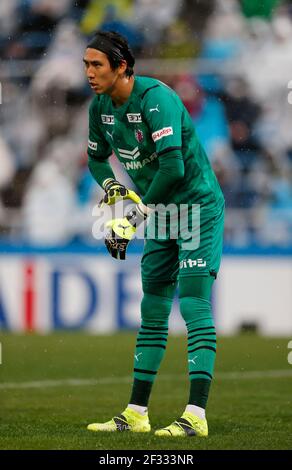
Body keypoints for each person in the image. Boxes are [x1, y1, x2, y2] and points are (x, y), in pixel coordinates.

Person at [84, 31, 225, 437]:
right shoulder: (100, 108)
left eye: (97, 65)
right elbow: (95, 159)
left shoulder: (156, 99)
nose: (89, 73)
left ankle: (196, 416)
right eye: (86, 65)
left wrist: (135, 215)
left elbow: (173, 169)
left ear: (122, 67)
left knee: (195, 305)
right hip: (162, 211)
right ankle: (136, 413)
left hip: (196, 208)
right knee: (153, 310)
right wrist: (112, 187)